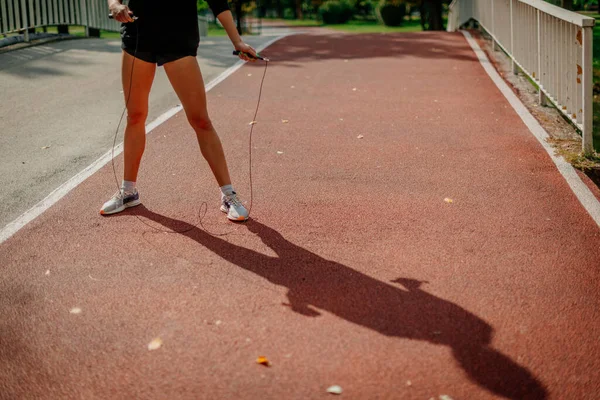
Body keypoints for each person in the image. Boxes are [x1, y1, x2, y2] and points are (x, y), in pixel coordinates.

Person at [101, 0, 259, 221]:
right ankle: (128, 192)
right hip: (138, 37)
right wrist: (114, 4)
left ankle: (228, 194)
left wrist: (237, 41)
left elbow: (218, 2)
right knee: (135, 116)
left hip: (178, 40)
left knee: (200, 120)